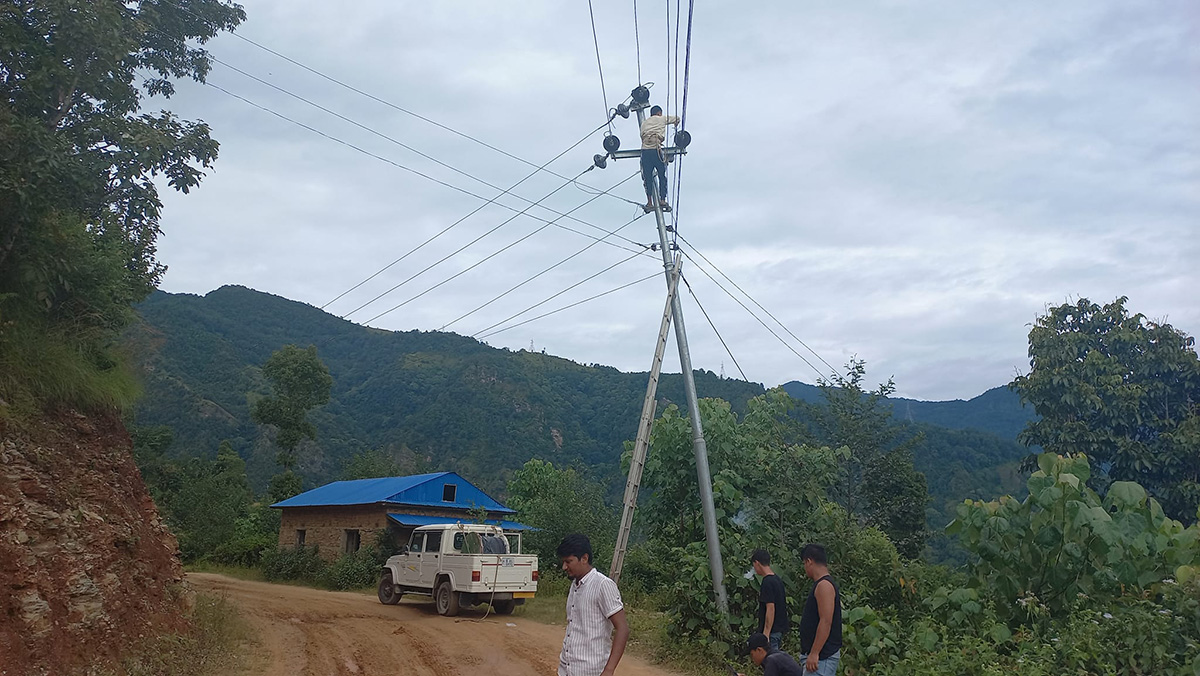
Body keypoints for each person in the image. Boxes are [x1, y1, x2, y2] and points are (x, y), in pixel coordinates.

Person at [557, 533, 629, 676]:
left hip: (591, 670)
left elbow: (623, 629)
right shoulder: (575, 585)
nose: (564, 567)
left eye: (569, 561)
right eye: (563, 562)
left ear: (584, 558)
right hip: (567, 668)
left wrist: (609, 670)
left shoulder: (603, 585)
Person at [797, 544, 842, 675]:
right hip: (818, 657)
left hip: (822, 657)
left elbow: (826, 621)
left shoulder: (824, 586)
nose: (805, 568)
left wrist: (815, 652)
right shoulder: (821, 584)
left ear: (809, 561)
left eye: (804, 563)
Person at [639, 105, 680, 212]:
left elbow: (642, 135)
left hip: (645, 151)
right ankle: (662, 199)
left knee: (647, 178)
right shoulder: (661, 118)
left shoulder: (644, 123)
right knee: (662, 175)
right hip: (655, 149)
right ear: (659, 113)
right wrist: (676, 124)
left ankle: (649, 202)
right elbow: (677, 118)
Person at [751, 549, 789, 651]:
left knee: (771, 661)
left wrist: (766, 634)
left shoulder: (767, 582)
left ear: (757, 563)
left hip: (772, 631)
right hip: (779, 628)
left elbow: (770, 608)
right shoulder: (777, 580)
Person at [737, 632, 804, 676]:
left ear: (759, 650)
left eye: (752, 654)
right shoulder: (777, 655)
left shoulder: (772, 660)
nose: (752, 658)